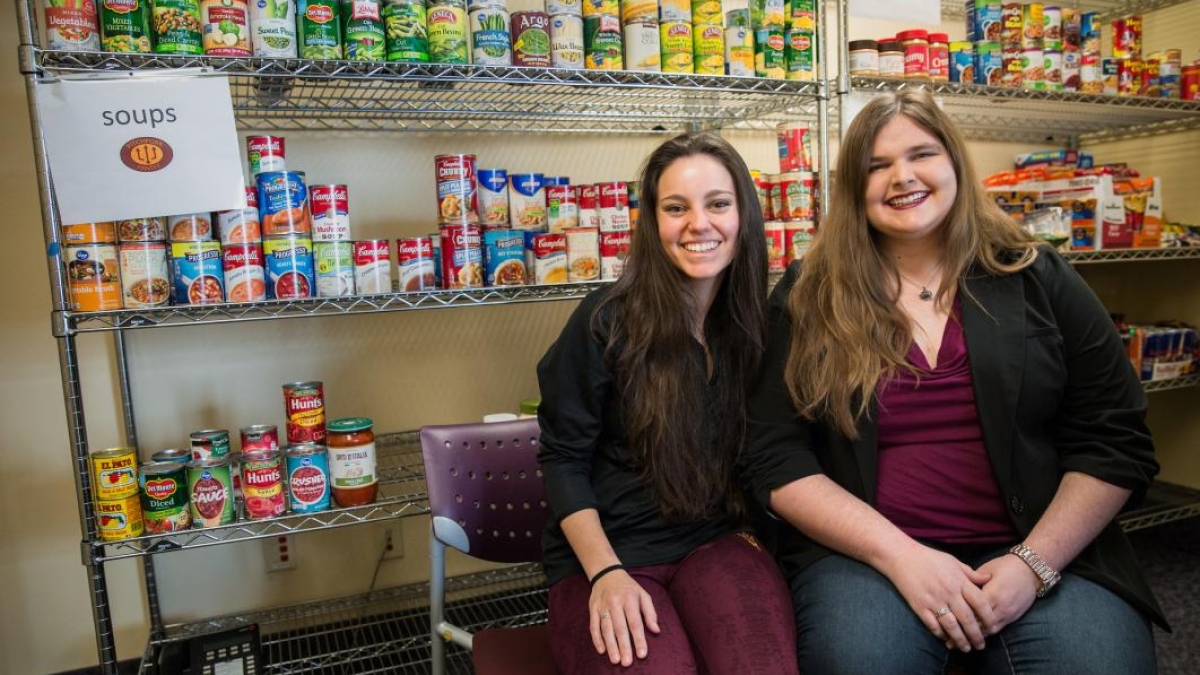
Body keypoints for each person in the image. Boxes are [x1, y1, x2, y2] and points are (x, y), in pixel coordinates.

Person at [743, 90, 1166, 675]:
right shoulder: (809, 293)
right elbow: (774, 457)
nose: (903, 177)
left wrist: (1032, 565)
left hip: (1038, 546)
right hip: (869, 557)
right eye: (877, 165)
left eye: (922, 154)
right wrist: (902, 556)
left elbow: (1115, 439)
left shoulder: (1035, 274)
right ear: (852, 188)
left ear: (954, 165)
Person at [537, 132, 798, 674]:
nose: (698, 224)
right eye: (676, 208)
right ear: (652, 224)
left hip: (715, 543)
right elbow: (563, 460)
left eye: (718, 204)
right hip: (606, 556)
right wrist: (605, 575)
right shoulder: (604, 321)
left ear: (744, 215)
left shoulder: (758, 326)